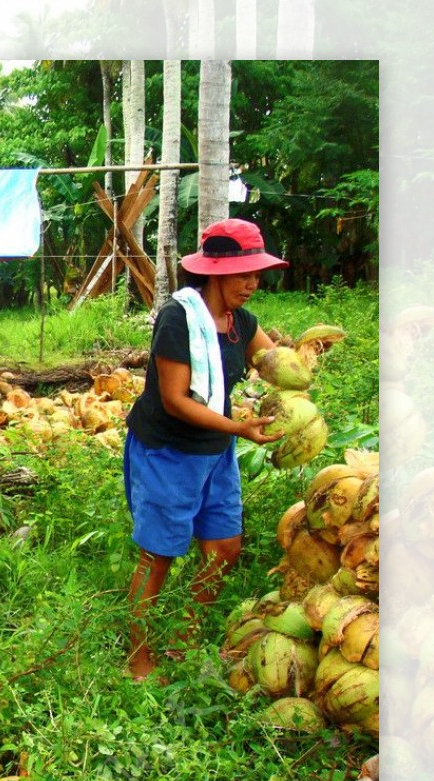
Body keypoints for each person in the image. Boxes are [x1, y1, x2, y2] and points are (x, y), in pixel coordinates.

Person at [123, 218, 288, 681]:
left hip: (215, 452)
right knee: (158, 555)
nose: (253, 283)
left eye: (258, 273)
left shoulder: (241, 321)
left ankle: (183, 638)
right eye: (244, 274)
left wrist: (300, 369)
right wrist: (239, 427)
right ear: (214, 272)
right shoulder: (180, 319)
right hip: (168, 452)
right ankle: (139, 659)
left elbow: (273, 362)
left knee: (224, 547)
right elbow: (176, 401)